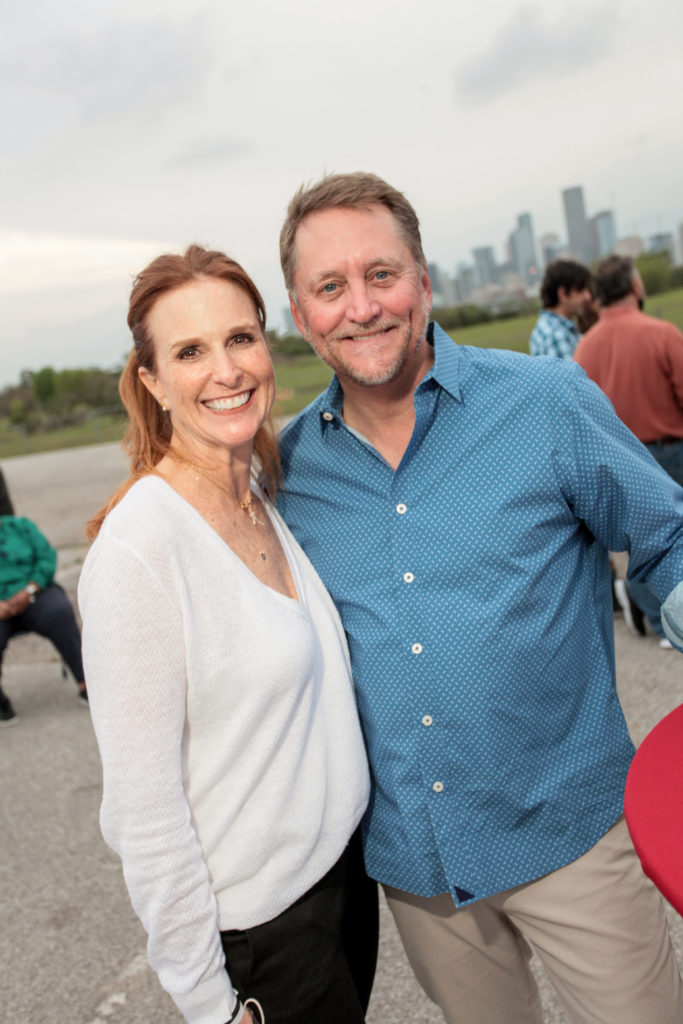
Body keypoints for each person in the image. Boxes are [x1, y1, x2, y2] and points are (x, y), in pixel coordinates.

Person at [275, 172, 683, 1024]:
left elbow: (665, 535)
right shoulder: (287, 473)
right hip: (422, 871)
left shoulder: (544, 403)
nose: (361, 306)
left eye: (380, 275)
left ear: (423, 279)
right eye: (329, 287)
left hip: (572, 833)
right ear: (299, 310)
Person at [78, 245, 376, 1024]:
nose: (226, 370)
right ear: (152, 382)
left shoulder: (260, 496)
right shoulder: (139, 550)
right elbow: (143, 812)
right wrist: (210, 1000)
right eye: (189, 351)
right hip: (263, 937)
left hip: (341, 887)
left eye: (240, 338)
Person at [575, 254, 683, 647]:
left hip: (614, 460)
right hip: (670, 451)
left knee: (632, 547)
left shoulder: (585, 348)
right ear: (636, 287)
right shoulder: (663, 333)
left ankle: (658, 622)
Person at [0, 513, 87, 725]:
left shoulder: (19, 526)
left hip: (32, 594)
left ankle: (85, 680)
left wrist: (29, 590)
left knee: (58, 612)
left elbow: (46, 557)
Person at [529, 258, 593, 358]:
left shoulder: (556, 328)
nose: (587, 296)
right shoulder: (556, 336)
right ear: (563, 294)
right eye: (580, 290)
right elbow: (576, 374)